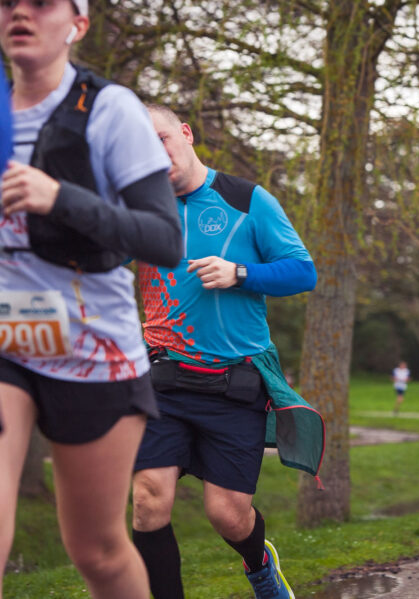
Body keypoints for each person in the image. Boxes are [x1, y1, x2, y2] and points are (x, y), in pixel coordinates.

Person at [0, 1, 182, 597]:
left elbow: (164, 238)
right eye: (8, 3)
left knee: (99, 552)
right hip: (6, 343)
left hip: (92, 348)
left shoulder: (109, 110)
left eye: (42, 3)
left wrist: (61, 199)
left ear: (77, 24)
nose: (20, 12)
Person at [131, 105, 318, 599]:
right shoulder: (138, 211)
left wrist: (241, 274)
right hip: (163, 378)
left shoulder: (247, 199)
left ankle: (260, 565)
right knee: (148, 502)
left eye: (162, 138)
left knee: (227, 515)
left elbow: (303, 271)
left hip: (233, 383)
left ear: (186, 133)